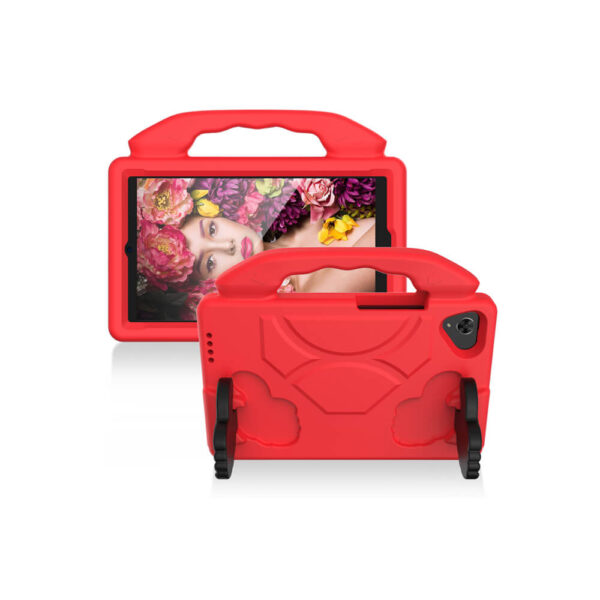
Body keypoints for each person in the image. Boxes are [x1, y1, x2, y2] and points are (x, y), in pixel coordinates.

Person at [179, 213, 376, 293]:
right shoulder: (309, 299)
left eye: (212, 229)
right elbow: (385, 244)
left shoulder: (304, 212)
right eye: (210, 262)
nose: (227, 245)